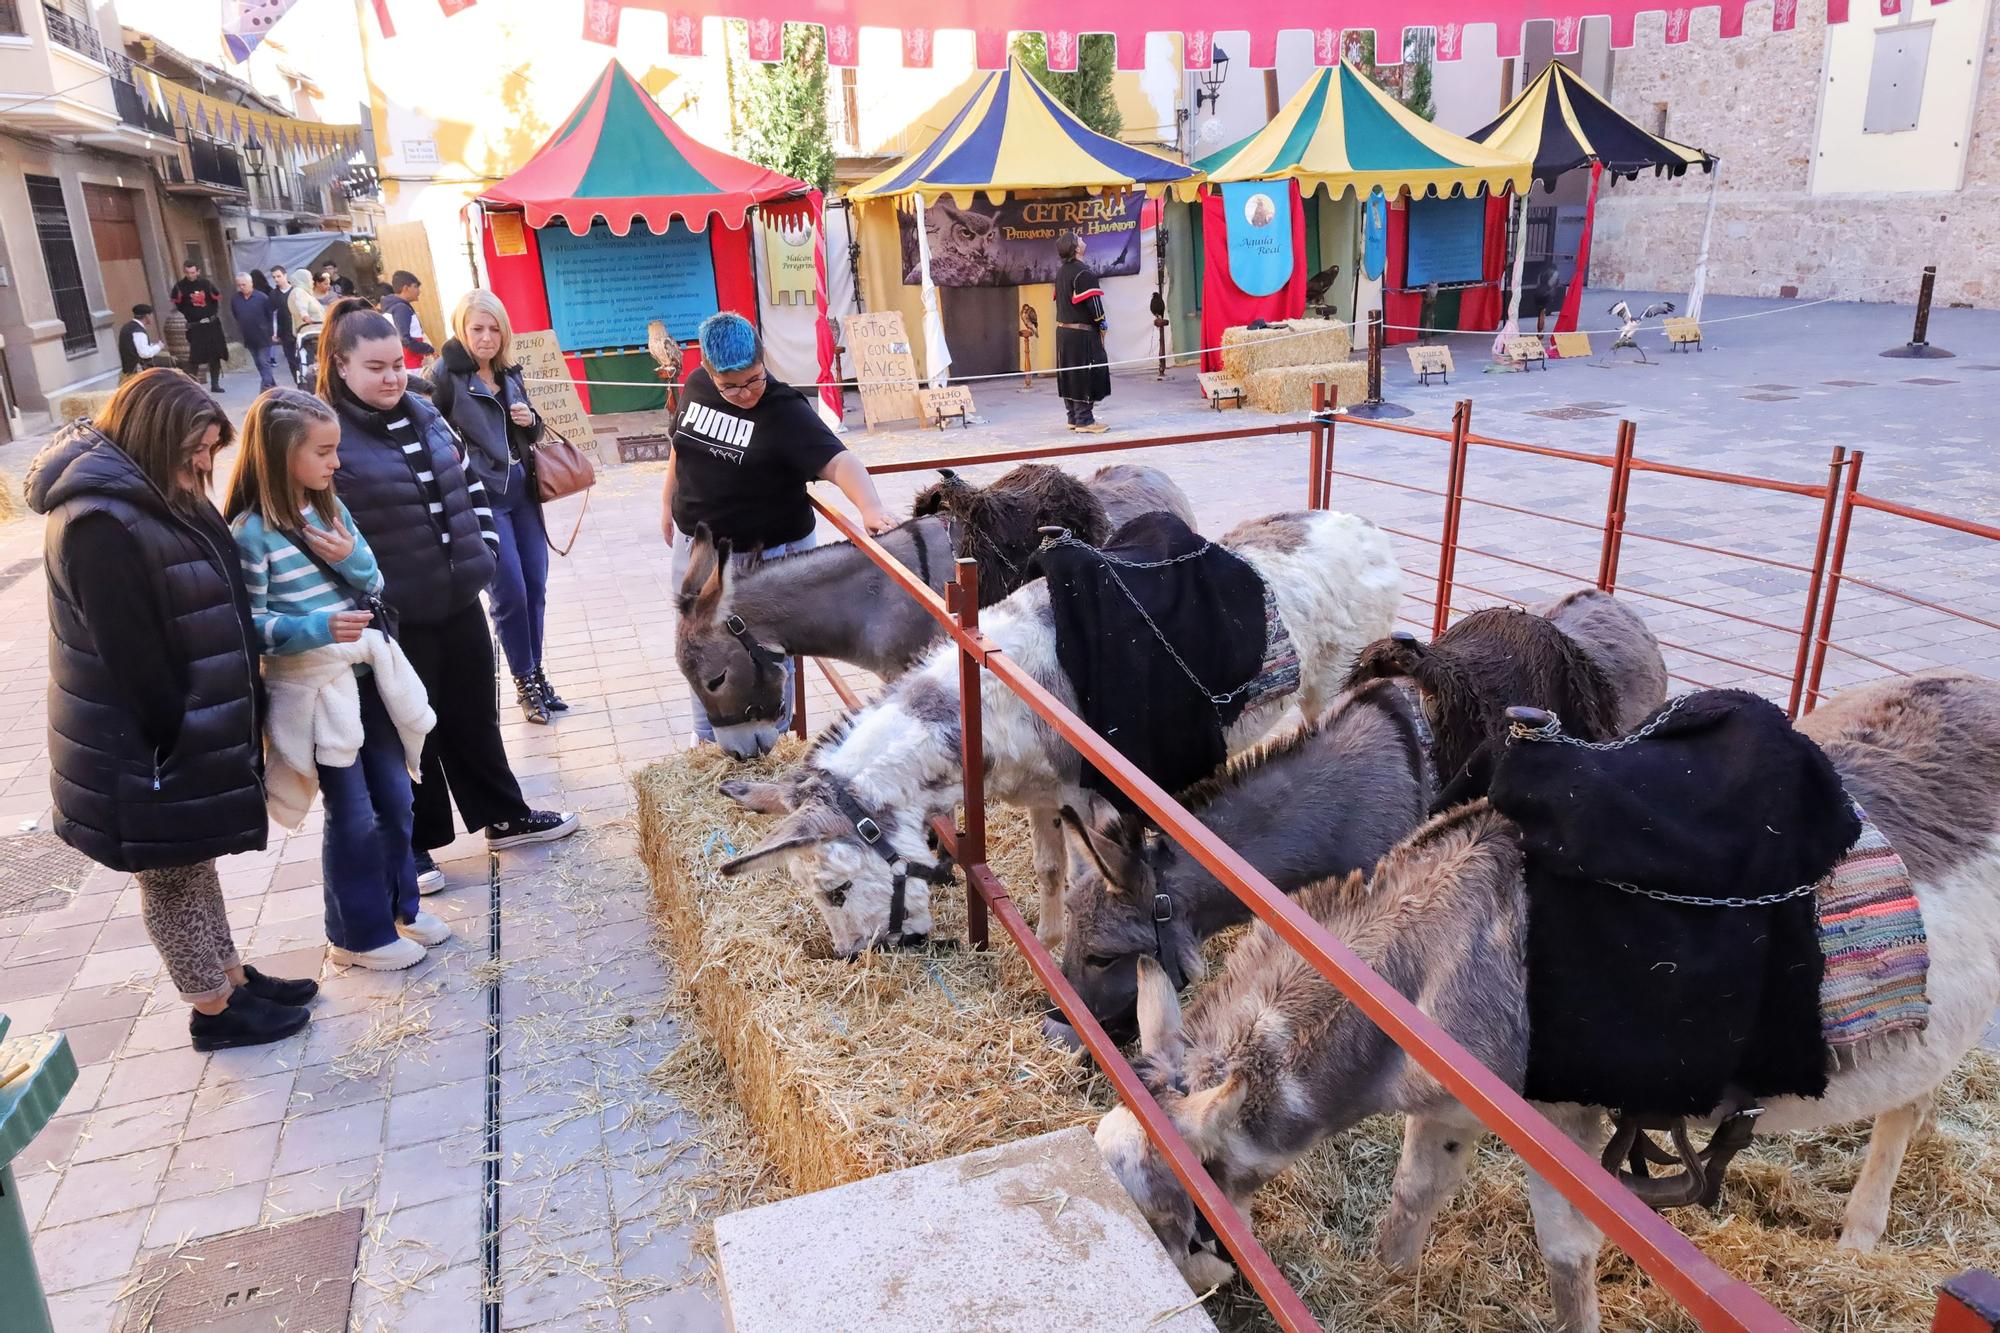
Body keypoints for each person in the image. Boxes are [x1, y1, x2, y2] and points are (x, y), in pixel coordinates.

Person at [26, 370, 318, 1051]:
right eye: (196, 446)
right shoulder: (99, 520)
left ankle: (231, 976)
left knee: (193, 865)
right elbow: (131, 656)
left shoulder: (156, 493)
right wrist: (177, 733)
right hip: (143, 750)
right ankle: (211, 1009)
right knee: (171, 883)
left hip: (174, 736)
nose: (204, 462)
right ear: (157, 433)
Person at [315, 297, 578, 889]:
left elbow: (470, 487)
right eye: (375, 367)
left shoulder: (425, 412)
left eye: (396, 364)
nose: (391, 377)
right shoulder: (325, 432)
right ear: (340, 364)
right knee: (410, 726)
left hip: (458, 597)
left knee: (474, 714)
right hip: (392, 614)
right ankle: (418, 843)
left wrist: (483, 551)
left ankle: (504, 816)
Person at [227, 388, 448, 970]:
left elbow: (373, 582)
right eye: (323, 452)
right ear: (280, 454)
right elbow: (248, 623)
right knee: (353, 813)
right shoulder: (250, 533)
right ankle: (357, 935)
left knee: (398, 797)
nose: (335, 463)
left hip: (367, 673)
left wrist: (351, 558)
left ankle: (402, 907)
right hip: (315, 690)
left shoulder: (330, 508)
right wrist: (316, 626)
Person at [660, 311, 895, 742]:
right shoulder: (695, 386)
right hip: (699, 550)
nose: (746, 393)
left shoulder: (786, 410)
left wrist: (870, 507)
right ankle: (706, 741)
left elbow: (840, 461)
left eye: (754, 379)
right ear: (709, 372)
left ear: (763, 360)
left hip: (764, 554)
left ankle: (773, 739)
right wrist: (666, 505)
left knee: (764, 652)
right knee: (701, 648)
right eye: (731, 385)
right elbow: (681, 447)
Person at [431, 289, 565, 724]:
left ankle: (537, 674)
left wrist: (532, 421)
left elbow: (531, 433)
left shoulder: (510, 373)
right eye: (477, 329)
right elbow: (430, 434)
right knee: (510, 593)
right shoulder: (446, 376)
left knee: (536, 589)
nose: (486, 338)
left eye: (493, 329)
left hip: (523, 497)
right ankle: (524, 680)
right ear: (461, 329)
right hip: (483, 502)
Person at [1053, 232, 1111, 433]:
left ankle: (1073, 417)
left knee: (1070, 374)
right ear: (1076, 248)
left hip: (1064, 333)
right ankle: (1085, 420)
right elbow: (1094, 305)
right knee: (1086, 373)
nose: (1083, 240)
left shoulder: (1062, 272)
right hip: (1081, 334)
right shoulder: (1083, 272)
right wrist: (1102, 324)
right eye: (1079, 239)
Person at [171, 260, 227, 391]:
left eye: (193, 272)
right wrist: (192, 316)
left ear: (198, 271)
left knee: (215, 354)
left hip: (211, 325)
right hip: (195, 327)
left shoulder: (206, 284)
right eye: (187, 273)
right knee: (195, 357)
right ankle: (192, 386)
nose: (190, 275)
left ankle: (215, 384)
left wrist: (210, 315)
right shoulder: (179, 287)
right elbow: (179, 306)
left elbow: (215, 300)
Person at [231, 272, 281, 391]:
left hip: (263, 336)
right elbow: (236, 315)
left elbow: (270, 316)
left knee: (264, 362)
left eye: (244, 284)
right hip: (249, 337)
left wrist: (273, 333)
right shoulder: (235, 299)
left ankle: (266, 389)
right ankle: (273, 385)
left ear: (251, 283)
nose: (241, 287)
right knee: (259, 364)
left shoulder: (262, 297)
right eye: (239, 285)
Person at [380, 270, 434, 370]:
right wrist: (428, 349)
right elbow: (405, 339)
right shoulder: (401, 309)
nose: (419, 291)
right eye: (416, 287)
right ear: (406, 288)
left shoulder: (393, 307)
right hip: (411, 366)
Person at [270, 265, 312, 386]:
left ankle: (309, 383)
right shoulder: (274, 294)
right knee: (292, 362)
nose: (276, 279)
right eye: (274, 277)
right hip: (285, 332)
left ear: (285, 275)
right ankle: (299, 384)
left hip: (300, 330)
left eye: (278, 276)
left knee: (304, 359)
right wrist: (275, 333)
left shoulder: (296, 291)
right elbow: (273, 315)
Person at [117, 304, 172, 381]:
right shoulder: (138, 331)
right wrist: (159, 346)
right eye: (151, 315)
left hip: (129, 367)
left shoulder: (128, 326)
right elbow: (144, 353)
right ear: (147, 316)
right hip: (137, 369)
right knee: (172, 361)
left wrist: (153, 346)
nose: (152, 317)